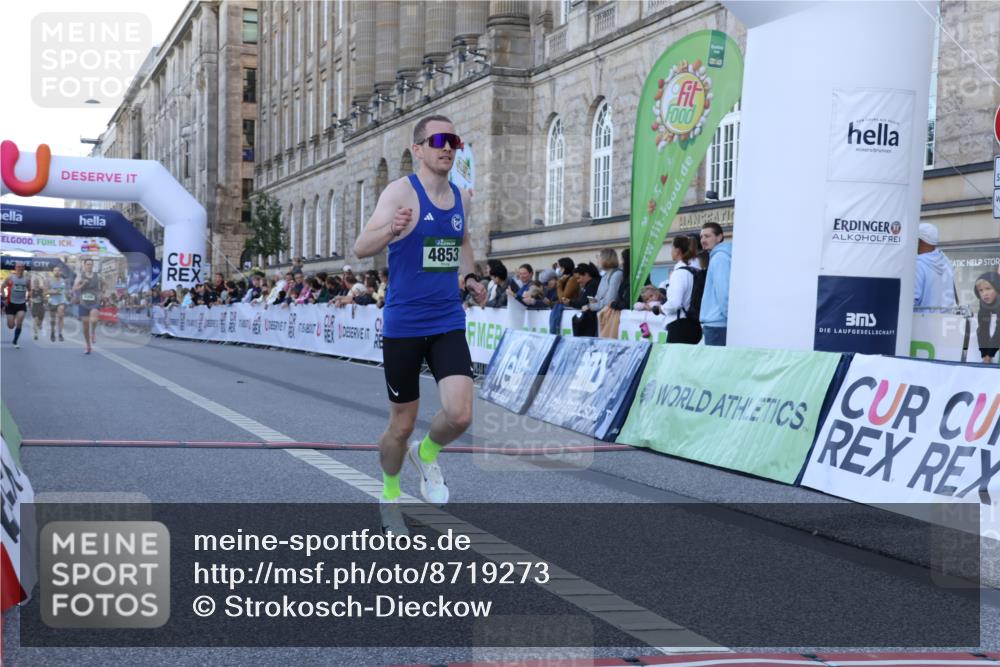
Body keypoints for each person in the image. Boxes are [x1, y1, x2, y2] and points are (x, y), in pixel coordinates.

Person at [354, 114, 485, 536]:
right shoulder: (399, 193)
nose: (448, 147)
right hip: (404, 323)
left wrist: (471, 278)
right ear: (419, 150)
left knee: (461, 414)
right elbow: (361, 247)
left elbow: (463, 243)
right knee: (401, 425)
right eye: (439, 140)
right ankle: (390, 494)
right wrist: (390, 231)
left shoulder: (462, 198)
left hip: (447, 319)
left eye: (454, 140)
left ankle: (427, 454)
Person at [699, 222, 731, 346]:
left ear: (719, 237)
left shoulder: (719, 258)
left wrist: (730, 317)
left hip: (717, 324)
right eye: (701, 237)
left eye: (707, 236)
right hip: (717, 323)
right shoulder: (717, 257)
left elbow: (724, 292)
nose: (703, 240)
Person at [914, 222, 957, 309]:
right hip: (944, 319)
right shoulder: (946, 262)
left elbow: (912, 299)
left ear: (919, 240)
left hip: (921, 320)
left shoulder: (917, 265)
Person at [588, 248, 623, 338]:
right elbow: (597, 297)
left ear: (606, 258)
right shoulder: (604, 276)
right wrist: (593, 304)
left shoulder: (617, 274)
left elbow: (609, 300)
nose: (597, 260)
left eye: (598, 257)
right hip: (602, 316)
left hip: (610, 317)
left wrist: (590, 306)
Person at [74, 258, 102, 354]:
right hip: (83, 303)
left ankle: (93, 333)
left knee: (94, 319)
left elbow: (105, 284)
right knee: (85, 327)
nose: (89, 266)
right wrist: (83, 284)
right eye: (88, 264)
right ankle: (88, 346)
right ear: (84, 265)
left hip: (94, 301)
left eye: (91, 264)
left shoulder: (97, 275)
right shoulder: (80, 277)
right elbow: (75, 288)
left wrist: (102, 293)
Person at [974, 272, 1000, 364]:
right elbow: (982, 329)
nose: (984, 294)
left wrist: (989, 355)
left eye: (988, 289)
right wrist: (985, 354)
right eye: (981, 290)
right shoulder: (983, 303)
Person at [3, 262, 30, 348]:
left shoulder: (26, 280)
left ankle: (15, 341)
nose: (20, 268)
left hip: (21, 304)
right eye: (18, 267)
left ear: (24, 268)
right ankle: (13, 319)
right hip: (11, 304)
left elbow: (30, 290)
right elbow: (2, 287)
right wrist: (4, 298)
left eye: (22, 267)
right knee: (11, 326)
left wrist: (29, 297)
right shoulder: (10, 278)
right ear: (15, 268)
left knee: (19, 322)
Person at [47, 265, 68, 341]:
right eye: (55, 270)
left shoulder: (63, 280)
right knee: (53, 320)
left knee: (61, 315)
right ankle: (52, 332)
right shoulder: (49, 280)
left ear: (60, 272)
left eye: (58, 270)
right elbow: (45, 291)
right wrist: (54, 292)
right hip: (52, 301)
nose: (57, 272)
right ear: (53, 272)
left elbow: (65, 290)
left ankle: (60, 333)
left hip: (61, 301)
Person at [29, 275, 47, 340]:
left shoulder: (41, 290)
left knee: (39, 323)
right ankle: (35, 334)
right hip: (34, 307)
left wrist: (44, 299)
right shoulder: (32, 291)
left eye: (37, 283)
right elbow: (30, 299)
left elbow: (45, 297)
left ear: (39, 283)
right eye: (35, 283)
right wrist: (31, 303)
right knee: (35, 320)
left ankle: (40, 325)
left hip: (41, 307)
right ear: (33, 284)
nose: (36, 284)